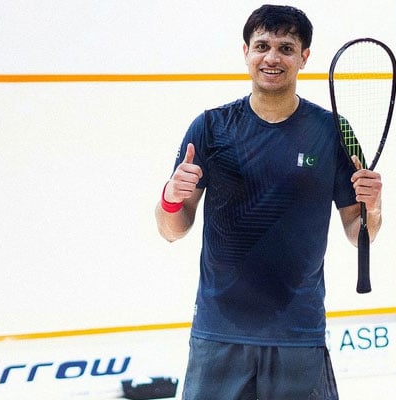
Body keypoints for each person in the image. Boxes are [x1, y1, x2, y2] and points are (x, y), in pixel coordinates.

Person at [155, 4, 382, 399]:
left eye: (286, 48)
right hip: (219, 333)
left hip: (298, 333)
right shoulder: (211, 127)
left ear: (304, 58)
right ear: (246, 52)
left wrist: (372, 208)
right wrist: (171, 198)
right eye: (262, 45)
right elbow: (171, 230)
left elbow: (356, 231)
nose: (272, 58)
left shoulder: (333, 131)